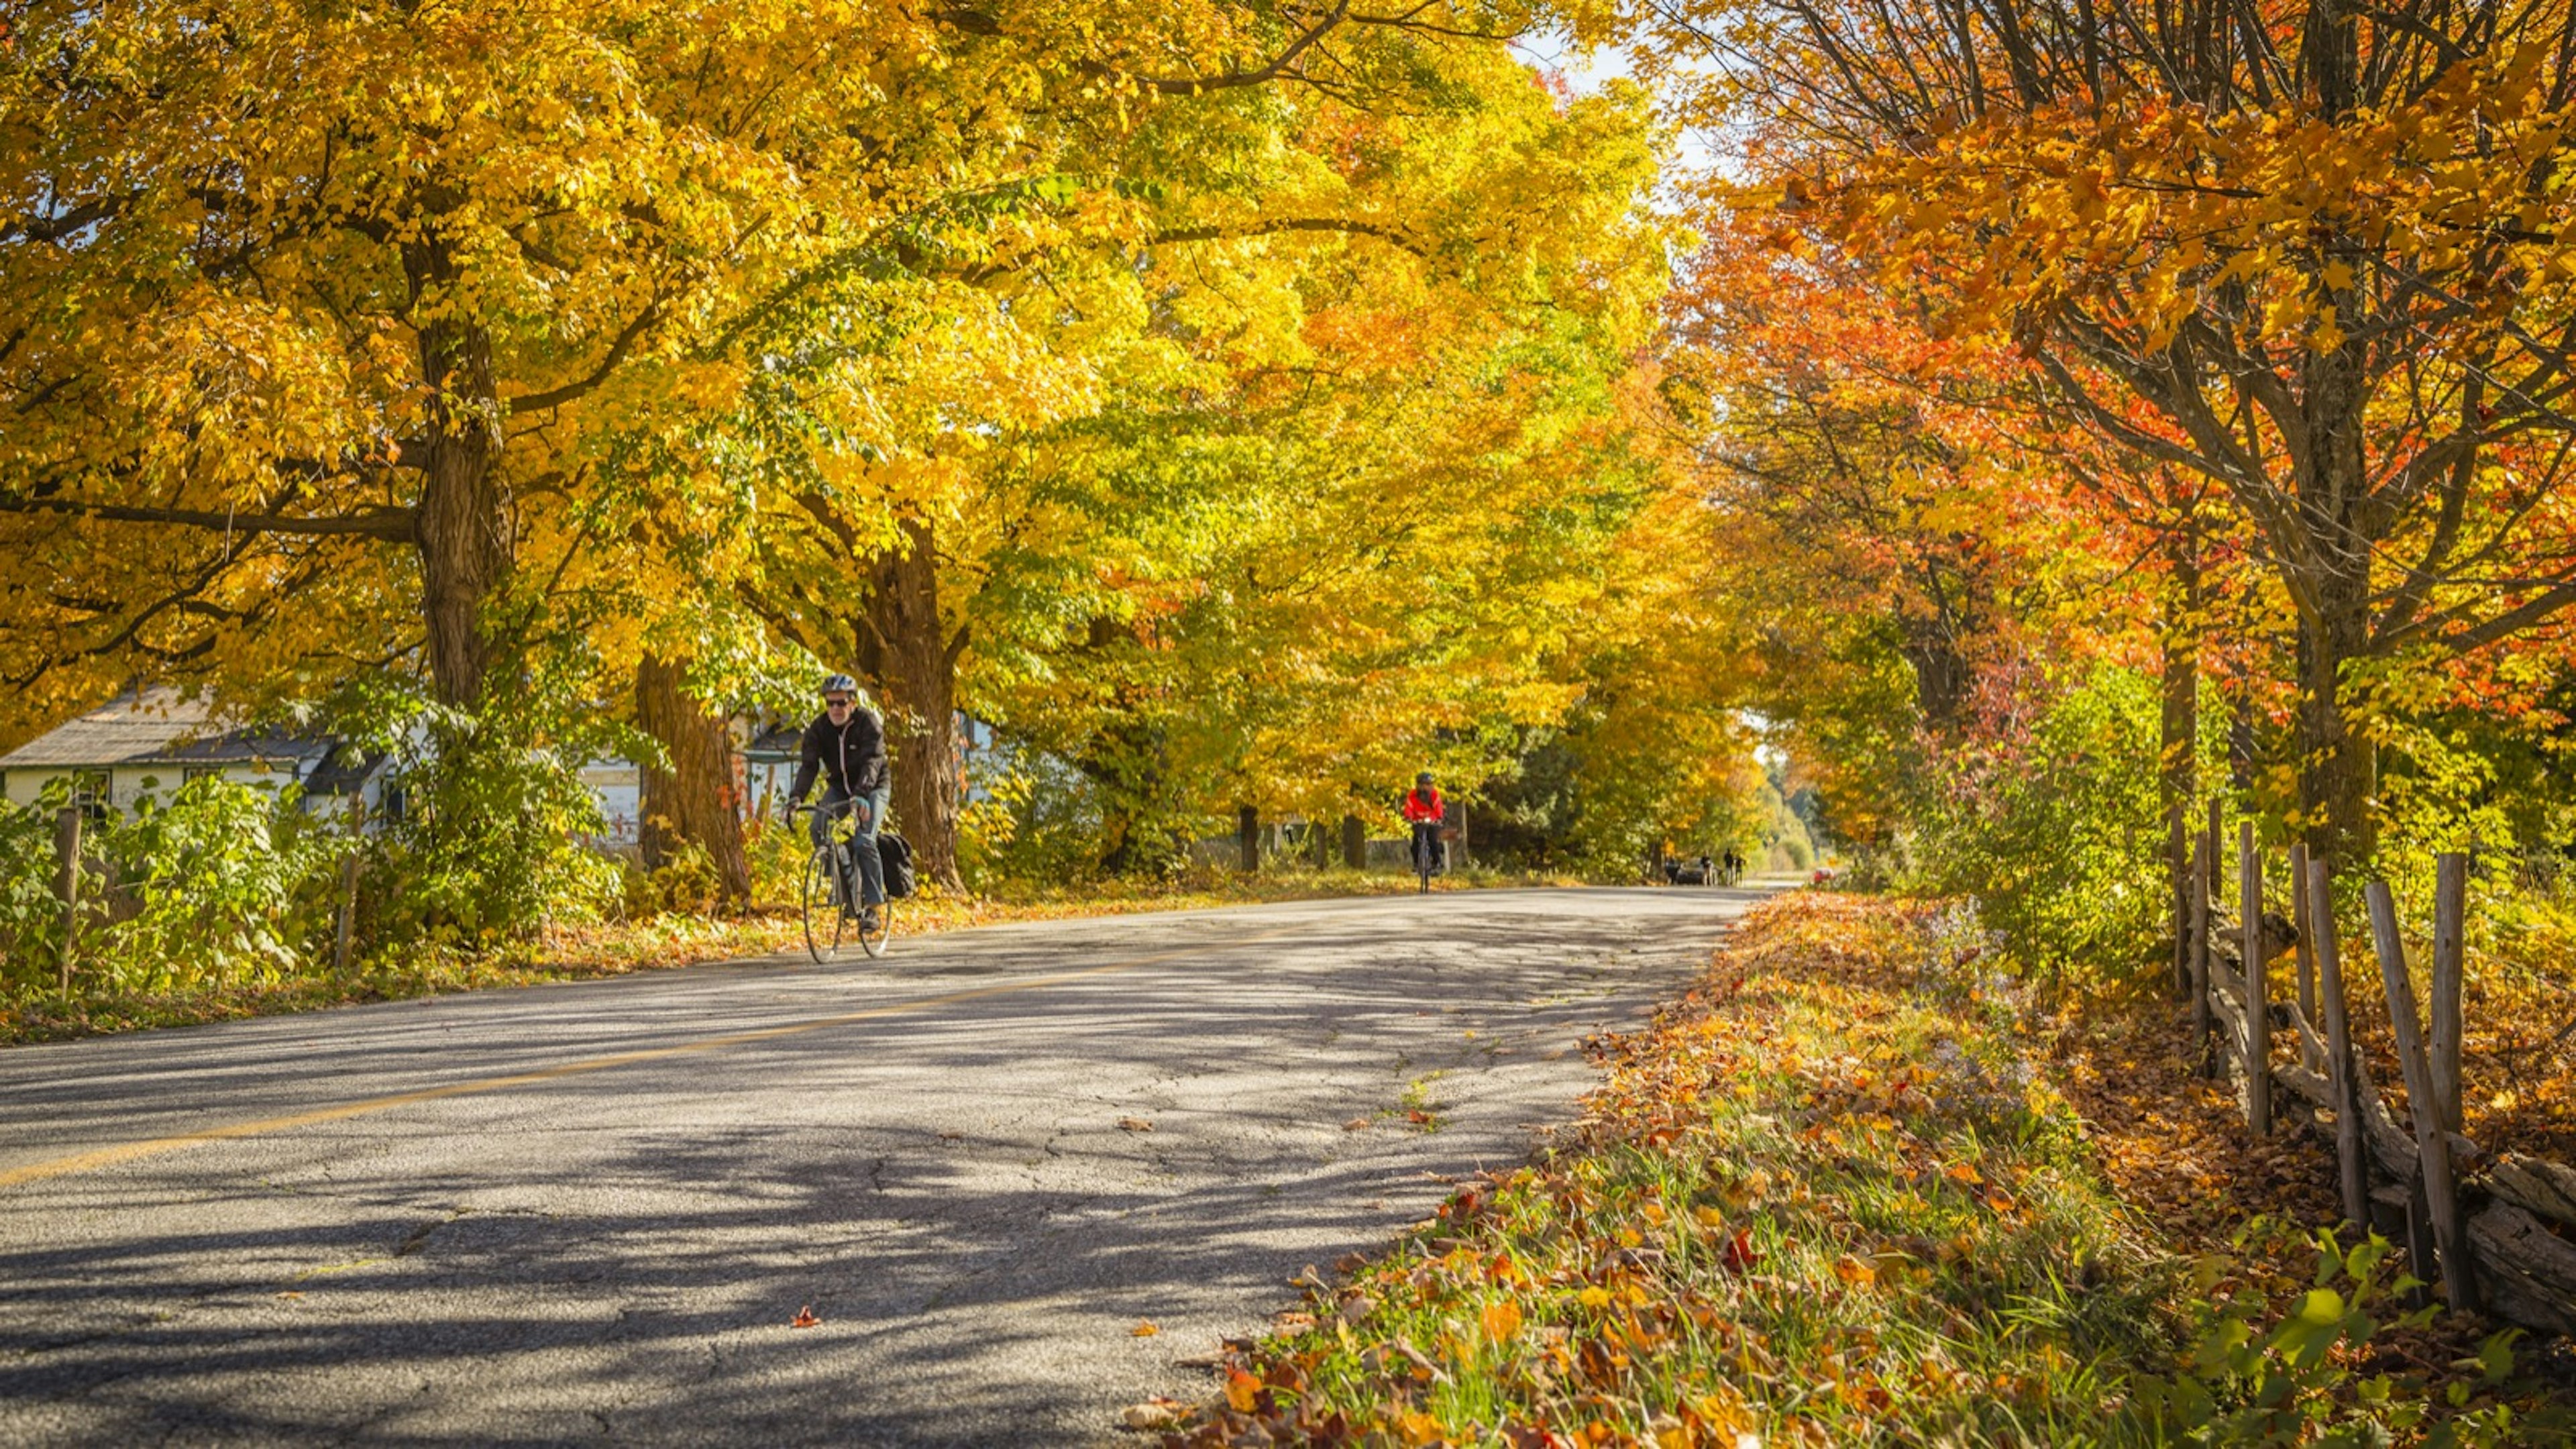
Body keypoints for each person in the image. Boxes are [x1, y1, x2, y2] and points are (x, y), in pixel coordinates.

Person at [785, 674, 889, 926]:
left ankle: (873, 907)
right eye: (830, 703)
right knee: (817, 827)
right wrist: (795, 798)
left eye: (841, 703)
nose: (835, 709)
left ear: (852, 703)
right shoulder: (819, 729)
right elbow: (809, 766)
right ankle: (846, 886)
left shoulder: (868, 724)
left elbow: (872, 763)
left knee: (865, 840)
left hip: (873, 787)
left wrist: (862, 796)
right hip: (840, 789)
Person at [1401, 771, 1446, 877]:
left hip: (1432, 822)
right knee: (1416, 842)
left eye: (1427, 784)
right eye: (1421, 784)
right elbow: (1409, 808)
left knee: (1434, 841)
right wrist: (1409, 817)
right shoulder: (1413, 795)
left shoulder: (1434, 795)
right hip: (1418, 822)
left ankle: (1437, 863)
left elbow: (1438, 809)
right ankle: (1416, 864)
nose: (1424, 787)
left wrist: (1435, 818)